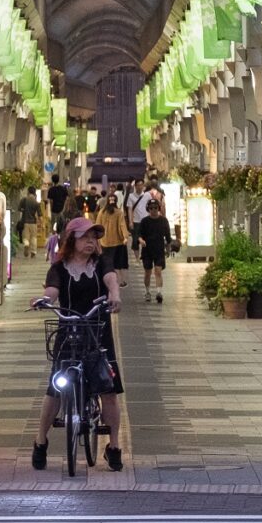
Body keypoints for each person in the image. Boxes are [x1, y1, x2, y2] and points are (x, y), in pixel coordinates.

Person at [32, 216, 125, 471]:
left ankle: (114, 446)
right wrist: (43, 300)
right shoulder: (59, 267)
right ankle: (41, 440)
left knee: (108, 388)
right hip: (68, 330)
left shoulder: (101, 262)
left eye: (94, 237)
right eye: (85, 237)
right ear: (71, 239)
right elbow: (52, 290)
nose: (91, 242)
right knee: (55, 388)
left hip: (98, 330)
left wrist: (114, 295)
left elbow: (111, 280)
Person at [132, 196, 173, 302]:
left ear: (158, 208)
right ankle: (147, 291)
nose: (153, 210)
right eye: (151, 208)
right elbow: (139, 235)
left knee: (158, 271)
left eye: (155, 208)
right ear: (148, 209)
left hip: (159, 250)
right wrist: (141, 241)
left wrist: (168, 249)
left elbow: (168, 237)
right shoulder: (145, 221)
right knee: (147, 272)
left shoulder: (163, 221)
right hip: (147, 250)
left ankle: (159, 292)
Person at [98, 189, 132, 280]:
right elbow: (122, 225)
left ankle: (106, 279)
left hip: (104, 242)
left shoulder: (102, 212)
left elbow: (98, 226)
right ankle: (118, 281)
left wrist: (97, 238)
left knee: (106, 262)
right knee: (116, 264)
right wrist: (125, 237)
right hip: (117, 242)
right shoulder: (118, 212)